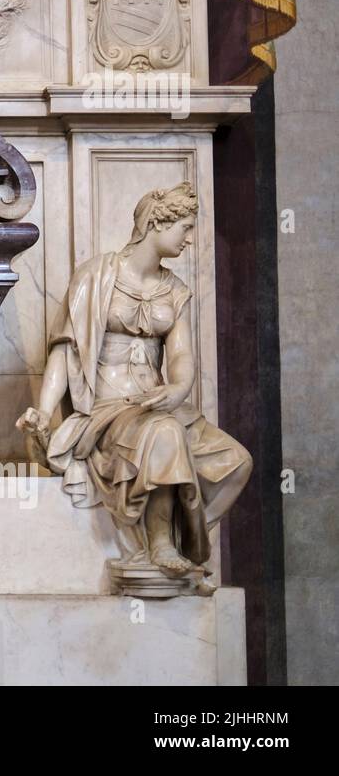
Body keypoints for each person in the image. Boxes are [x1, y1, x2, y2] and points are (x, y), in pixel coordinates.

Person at [17, 183, 251, 583]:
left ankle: (184, 540)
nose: (190, 239)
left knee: (236, 462)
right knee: (163, 433)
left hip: (159, 403)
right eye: (185, 228)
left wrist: (178, 389)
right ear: (157, 224)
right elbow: (66, 351)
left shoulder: (175, 290)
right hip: (108, 409)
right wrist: (44, 408)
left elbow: (180, 356)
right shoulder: (96, 276)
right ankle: (158, 545)